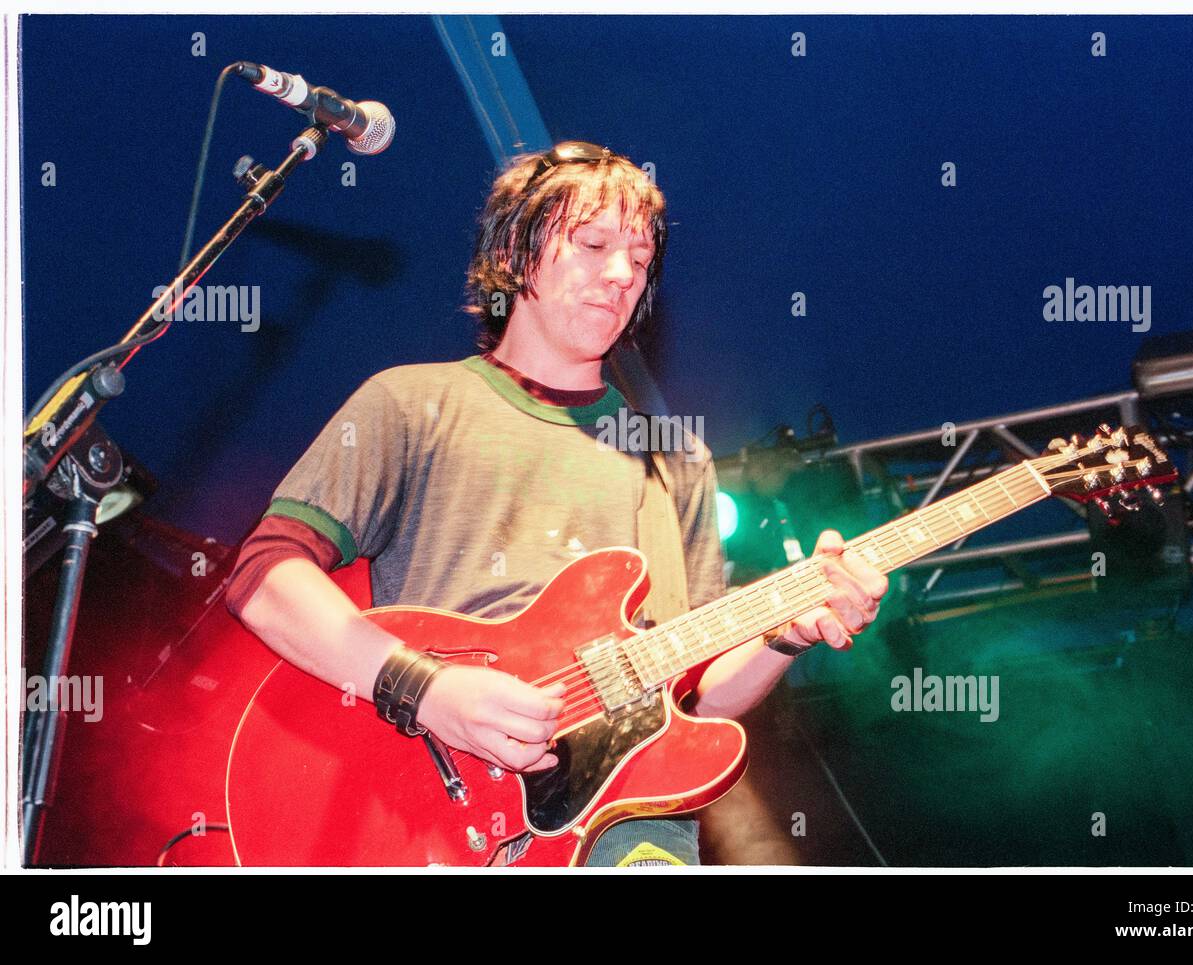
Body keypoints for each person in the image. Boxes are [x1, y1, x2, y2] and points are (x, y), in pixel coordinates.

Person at [225, 141, 888, 866]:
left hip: (633, 834)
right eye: (594, 244)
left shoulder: (673, 459)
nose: (620, 275)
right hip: (443, 825)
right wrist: (428, 687)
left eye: (639, 260)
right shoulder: (412, 404)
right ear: (515, 250)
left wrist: (783, 633)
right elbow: (264, 575)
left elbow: (695, 699)